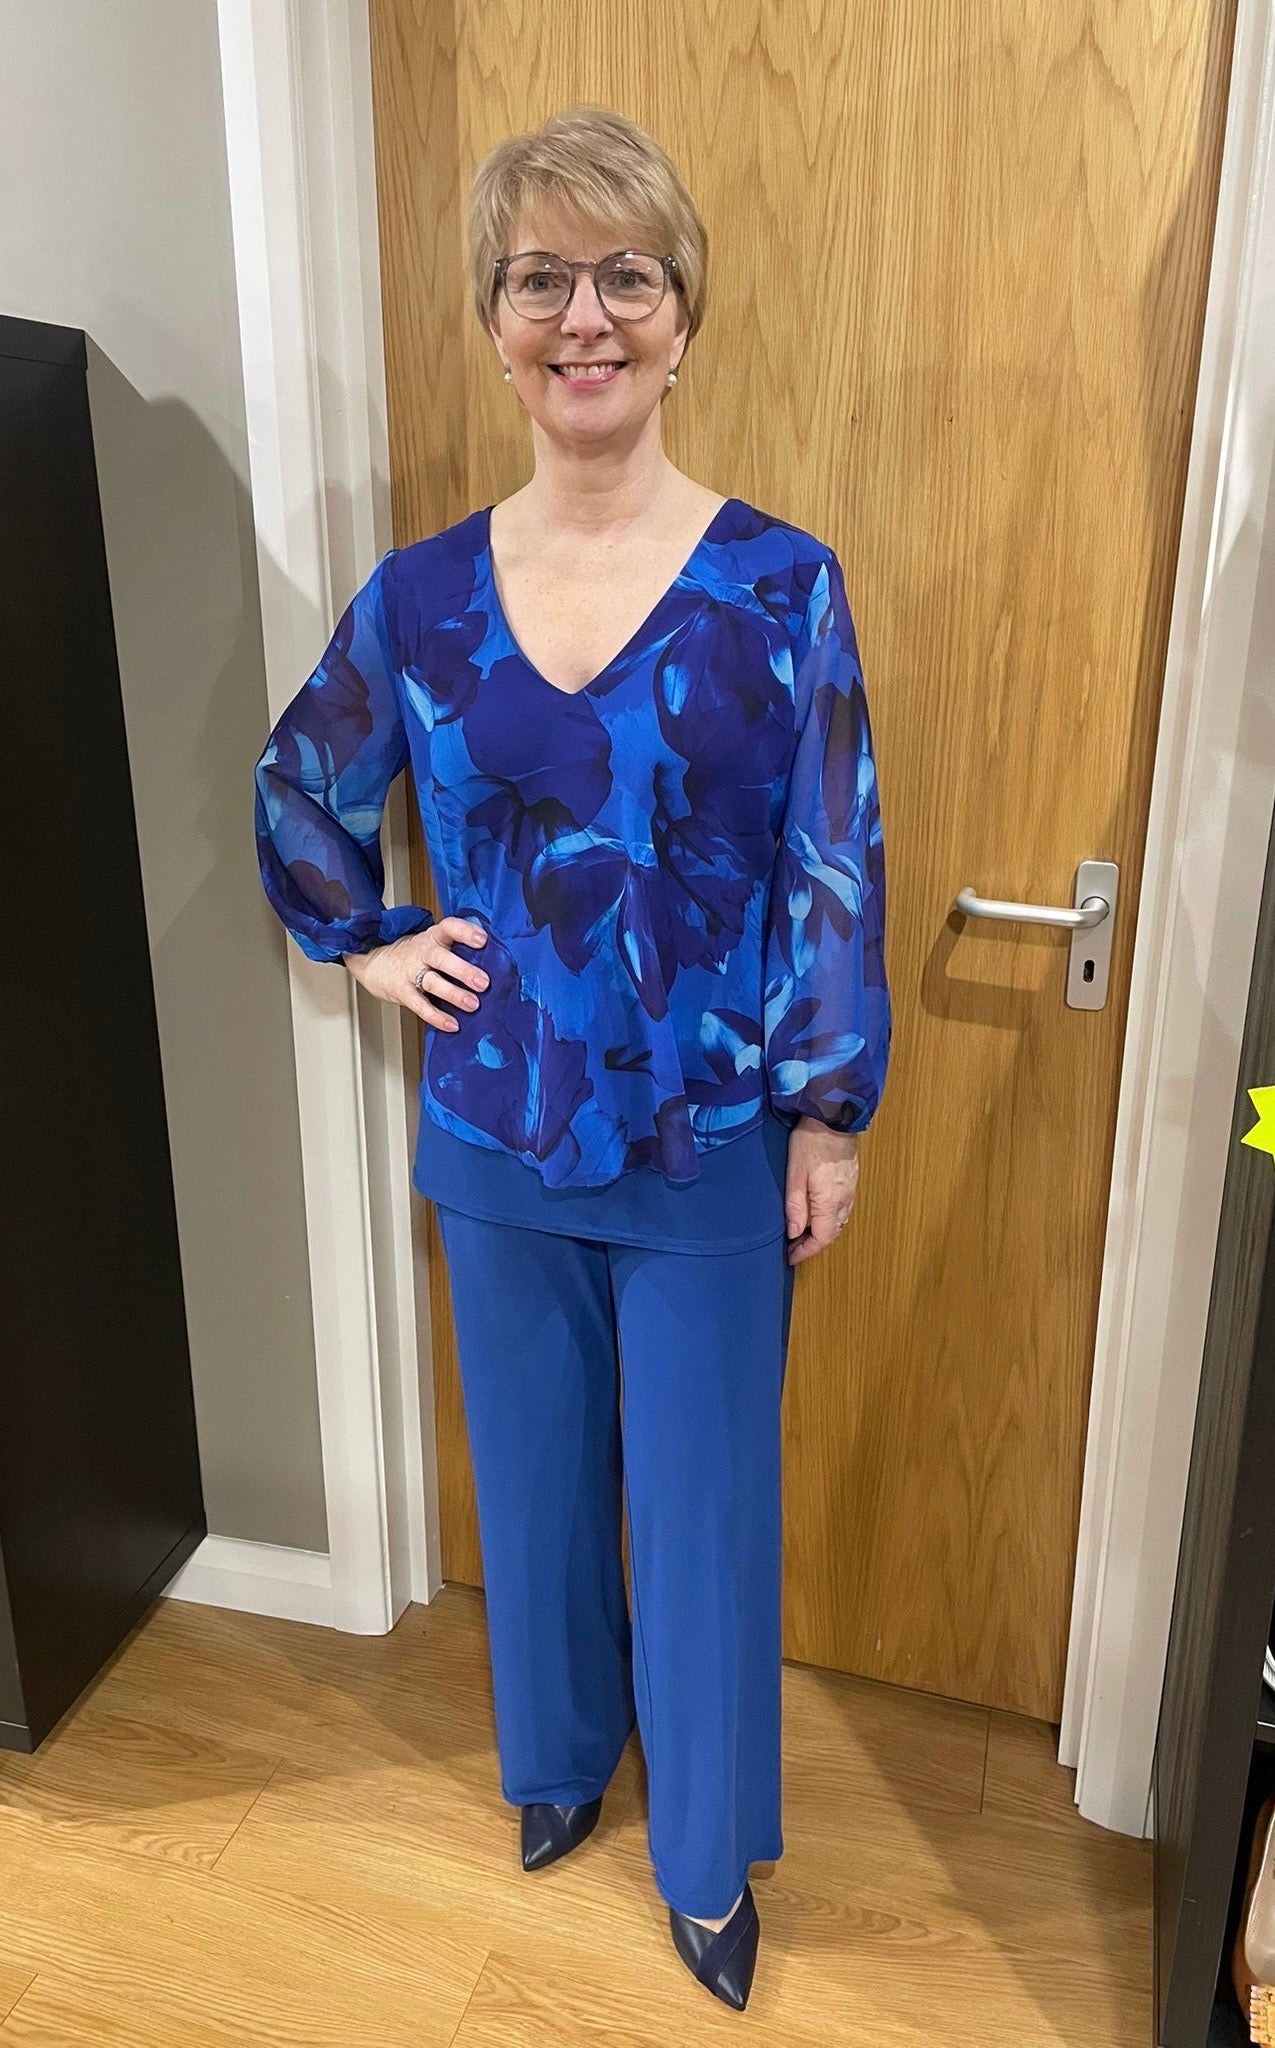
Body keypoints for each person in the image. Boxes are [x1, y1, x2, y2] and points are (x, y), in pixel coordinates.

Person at [253, 103, 891, 2012]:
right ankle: (554, 1767)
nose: (584, 317)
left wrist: (830, 1114)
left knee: (701, 1515)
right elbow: (299, 790)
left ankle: (705, 1862)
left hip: (710, 1143)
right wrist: (374, 945)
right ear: (497, 323)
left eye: (626, 277)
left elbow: (835, 855)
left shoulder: (782, 586)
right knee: (532, 1490)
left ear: (683, 317)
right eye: (541, 280)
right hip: (499, 1131)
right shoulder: (422, 601)